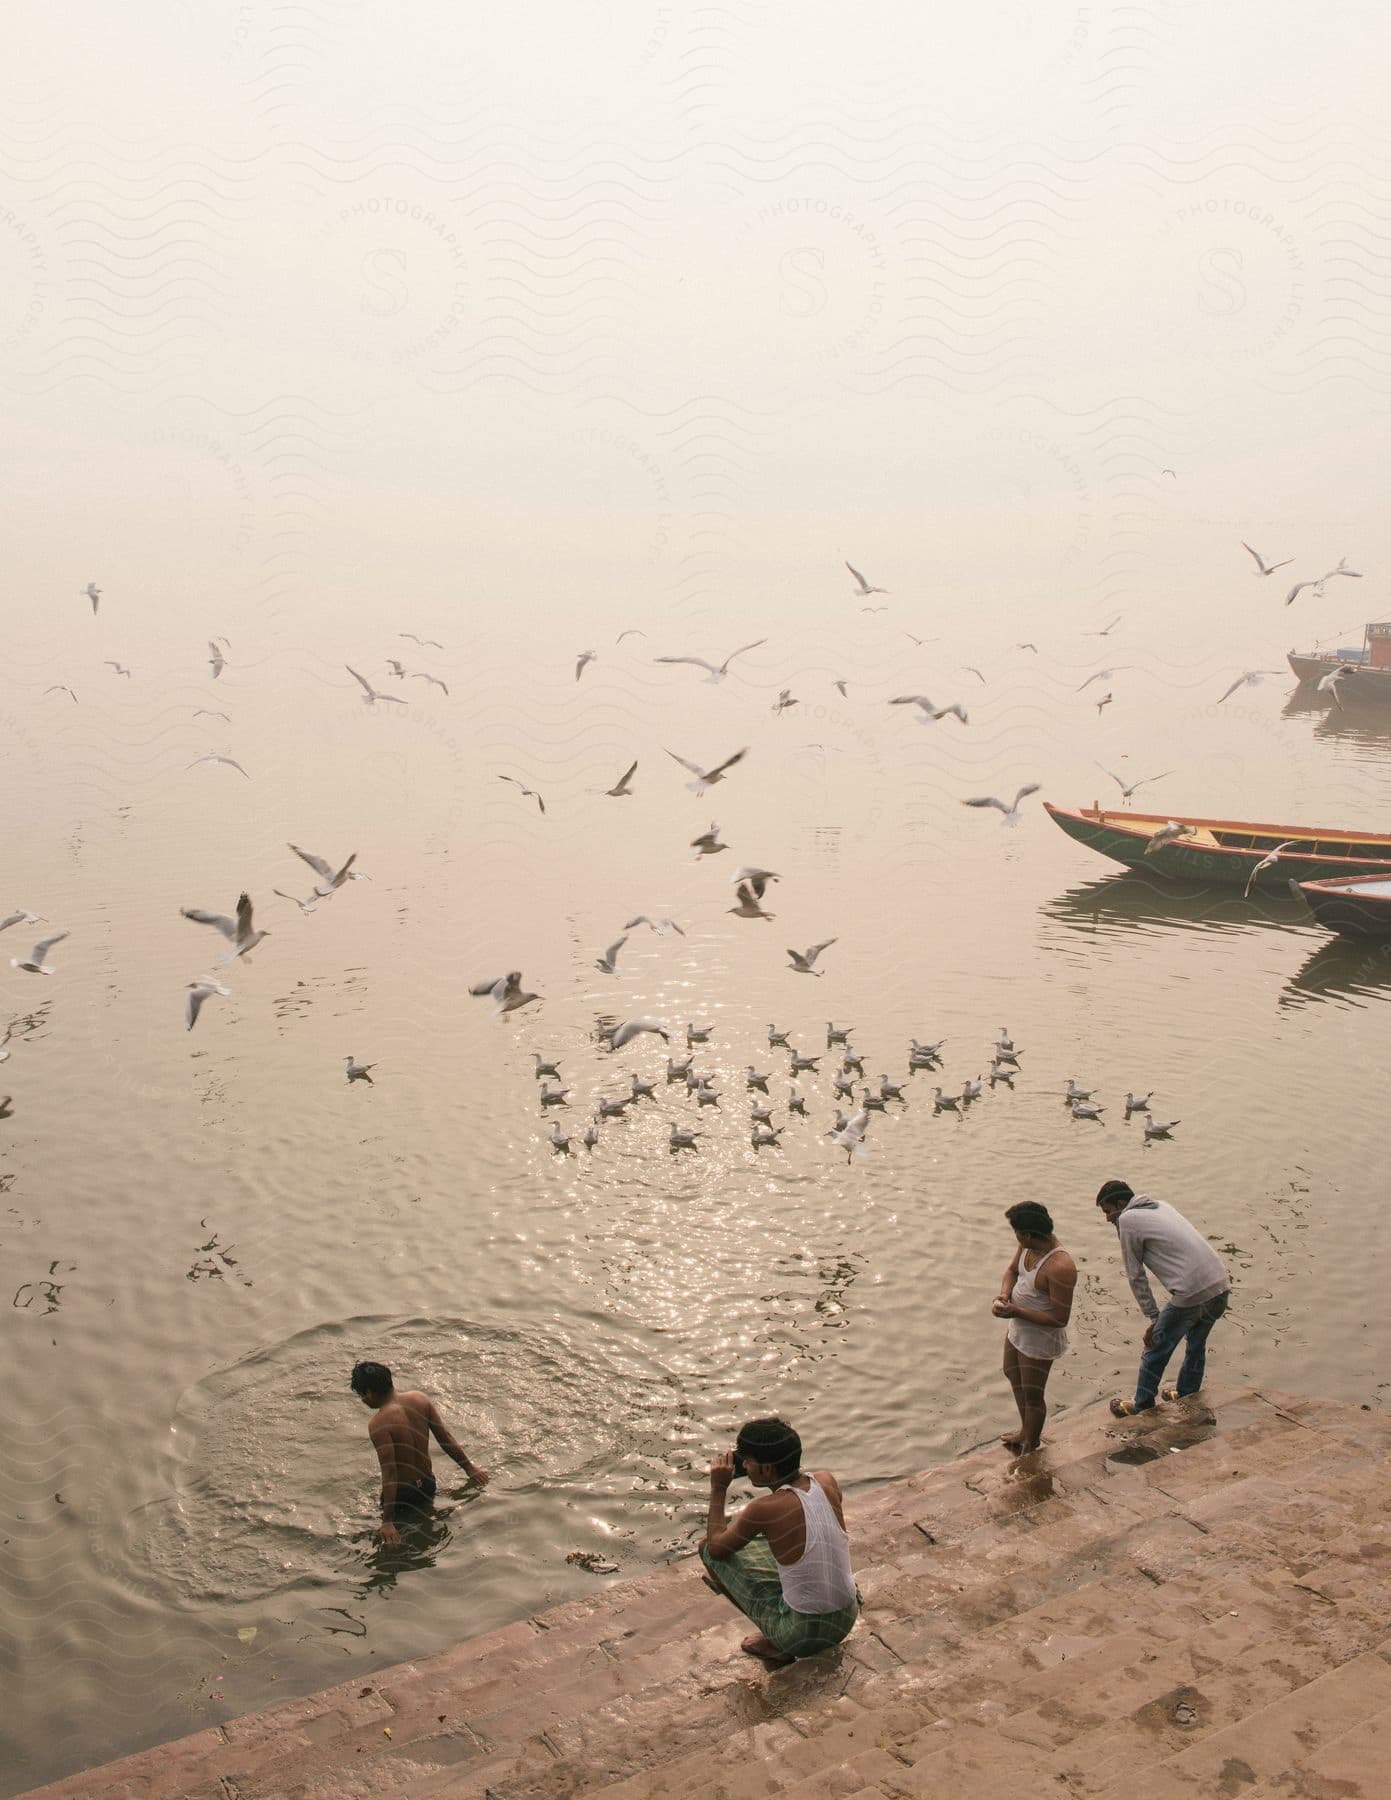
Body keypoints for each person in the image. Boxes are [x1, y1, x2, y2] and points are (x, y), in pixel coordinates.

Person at [699, 1417, 859, 1667]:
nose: (745, 1465)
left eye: (748, 1461)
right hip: (847, 1616)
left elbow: (716, 1548)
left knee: (706, 1548)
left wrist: (719, 1488)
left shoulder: (762, 1509)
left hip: (802, 1636)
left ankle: (777, 1644)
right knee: (779, 1541)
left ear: (767, 1470)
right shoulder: (826, 1480)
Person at [1095, 1180, 1232, 1417]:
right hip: (1220, 1285)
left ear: (1120, 1204)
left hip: (1191, 1292)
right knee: (1196, 1344)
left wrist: (1153, 1319)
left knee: (1154, 1348)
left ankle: (1141, 1404)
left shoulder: (1127, 1219)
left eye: (1108, 1212)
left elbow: (1135, 1275)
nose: (1107, 1218)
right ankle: (1187, 1393)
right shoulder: (1161, 1205)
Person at [349, 1361, 490, 1545]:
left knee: (365, 1535)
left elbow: (390, 1472)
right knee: (424, 1523)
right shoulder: (420, 1399)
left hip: (403, 1494)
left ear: (369, 1392)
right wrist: (469, 1468)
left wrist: (387, 1522)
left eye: (361, 1395)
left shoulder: (379, 1424)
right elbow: (445, 1438)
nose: (363, 1400)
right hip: (427, 1485)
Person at [992, 1200, 1076, 1454]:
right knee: (1011, 1373)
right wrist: (1004, 1296)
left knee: (1033, 1394)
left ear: (1028, 1233)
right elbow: (1011, 1272)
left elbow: (1060, 1318)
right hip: (1018, 1328)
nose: (1015, 1235)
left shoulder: (1060, 1266)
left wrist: (1016, 1310)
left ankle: (1031, 1444)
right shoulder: (1027, 1246)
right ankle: (1024, 1430)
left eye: (1016, 1231)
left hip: (1039, 1338)